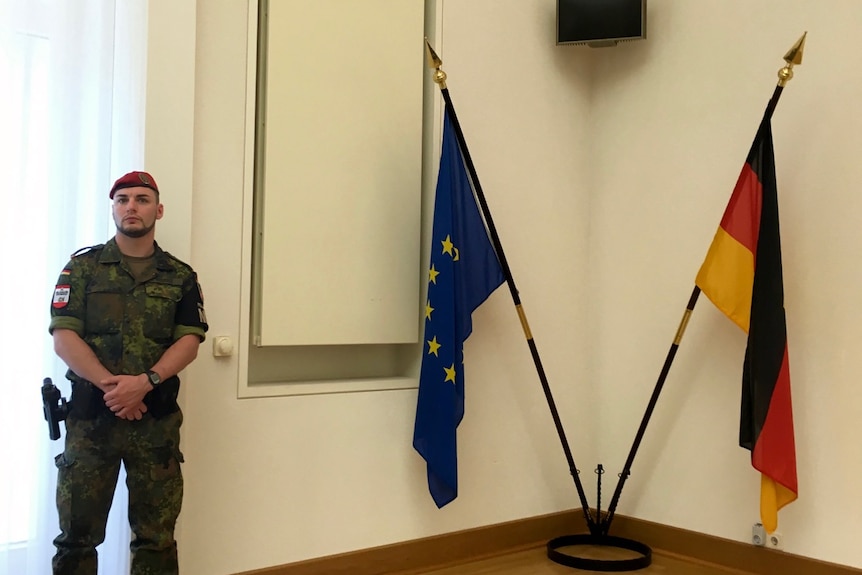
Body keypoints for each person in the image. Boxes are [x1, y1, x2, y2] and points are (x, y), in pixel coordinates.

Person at [48, 170, 208, 575]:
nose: (131, 207)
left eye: (140, 199)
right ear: (114, 209)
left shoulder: (180, 276)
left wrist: (144, 383)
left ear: (158, 209)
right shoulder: (82, 269)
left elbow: (189, 340)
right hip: (91, 425)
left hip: (154, 426)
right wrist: (114, 390)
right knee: (76, 540)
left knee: (156, 540)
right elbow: (65, 338)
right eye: (122, 200)